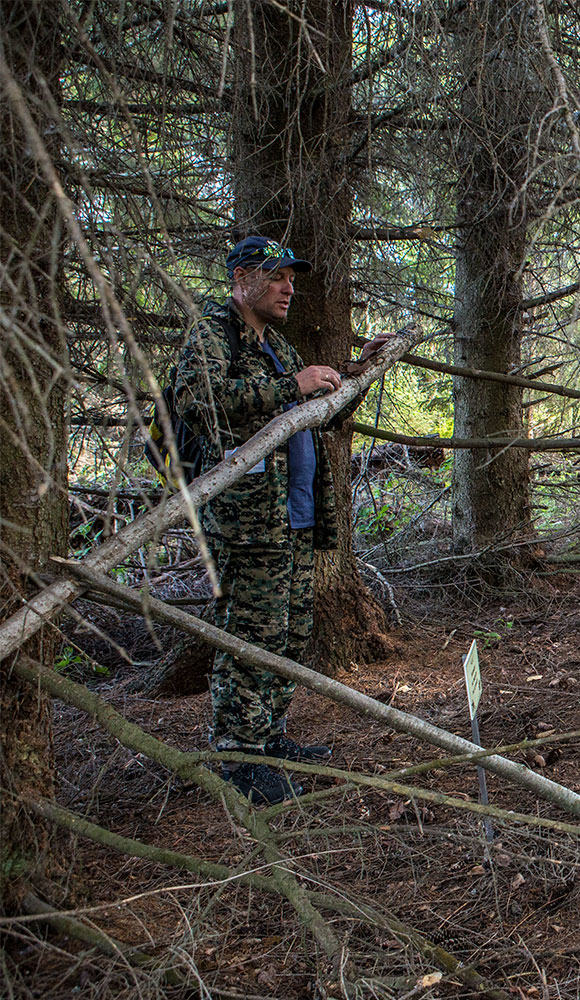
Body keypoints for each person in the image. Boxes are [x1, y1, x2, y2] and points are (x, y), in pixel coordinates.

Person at [172, 236, 387, 805]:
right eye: (276, 276)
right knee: (250, 636)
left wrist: (361, 371)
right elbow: (199, 403)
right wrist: (293, 386)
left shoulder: (279, 347)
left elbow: (319, 412)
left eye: (291, 278)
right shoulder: (212, 334)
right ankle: (238, 758)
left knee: (288, 634)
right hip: (248, 521)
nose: (288, 288)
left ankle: (269, 740)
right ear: (241, 278)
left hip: (293, 517)